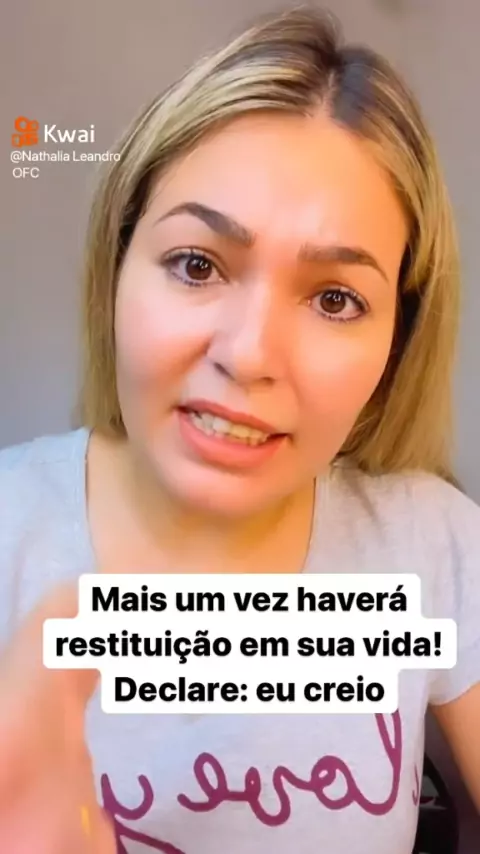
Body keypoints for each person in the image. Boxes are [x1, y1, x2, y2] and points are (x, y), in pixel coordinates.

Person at [0, 6, 478, 853]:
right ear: (116, 272)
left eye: (335, 299)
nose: (250, 354)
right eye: (197, 265)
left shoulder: (432, 543)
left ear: (397, 343)